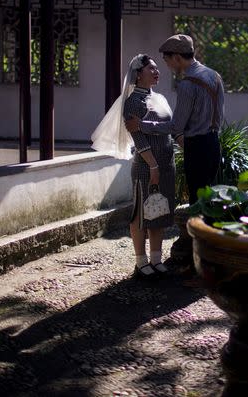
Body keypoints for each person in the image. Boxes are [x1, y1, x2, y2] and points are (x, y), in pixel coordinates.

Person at [90, 54, 175, 279]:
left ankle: (157, 258)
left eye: (157, 69)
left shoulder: (161, 98)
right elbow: (139, 139)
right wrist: (153, 167)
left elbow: (170, 127)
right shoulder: (133, 102)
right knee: (141, 212)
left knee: (160, 211)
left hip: (166, 164)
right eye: (151, 69)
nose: (157, 72)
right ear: (139, 74)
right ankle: (141, 261)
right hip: (147, 167)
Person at [125, 34, 224, 209]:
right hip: (214, 144)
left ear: (177, 57)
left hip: (196, 146)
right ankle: (205, 236)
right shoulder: (215, 76)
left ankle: (197, 236)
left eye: (167, 60)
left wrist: (141, 125)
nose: (167, 67)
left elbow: (176, 126)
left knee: (198, 200)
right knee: (209, 199)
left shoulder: (187, 85)